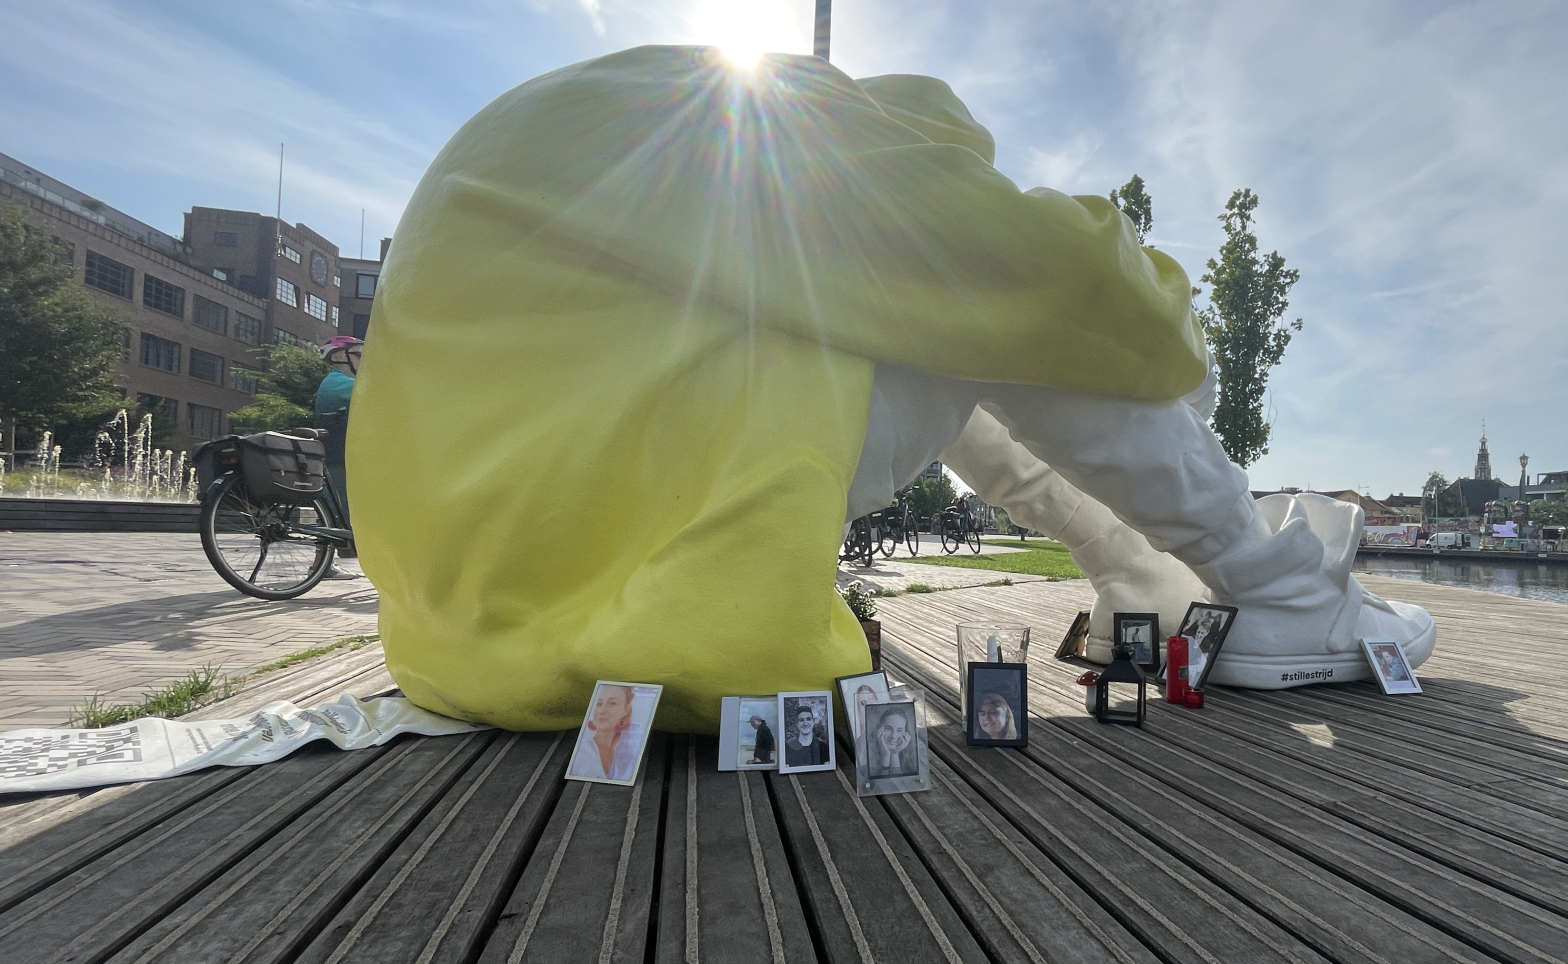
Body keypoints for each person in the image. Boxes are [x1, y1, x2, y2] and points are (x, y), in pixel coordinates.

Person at [354, 47, 1434, 734]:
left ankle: (1140, 582)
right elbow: (1069, 287)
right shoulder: (810, 137)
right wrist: (1147, 313)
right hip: (603, 545)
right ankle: (1283, 594)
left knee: (924, 317)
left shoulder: (605, 117)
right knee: (993, 305)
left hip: (466, 613)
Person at [314, 336, 361, 525]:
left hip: (339, 452)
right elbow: (378, 391)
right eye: (359, 355)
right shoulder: (339, 382)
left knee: (339, 508)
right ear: (341, 356)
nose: (364, 361)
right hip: (339, 454)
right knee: (339, 509)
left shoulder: (336, 381)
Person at [569, 684, 642, 781]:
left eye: (612, 703)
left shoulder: (633, 746)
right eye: (599, 704)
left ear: (625, 710)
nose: (602, 711)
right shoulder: (581, 749)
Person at [869, 706, 915, 775]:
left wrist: (894, 754)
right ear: (880, 729)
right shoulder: (868, 749)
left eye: (899, 730)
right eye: (888, 729)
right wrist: (886, 755)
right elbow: (880, 783)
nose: (893, 736)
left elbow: (898, 783)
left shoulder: (912, 751)